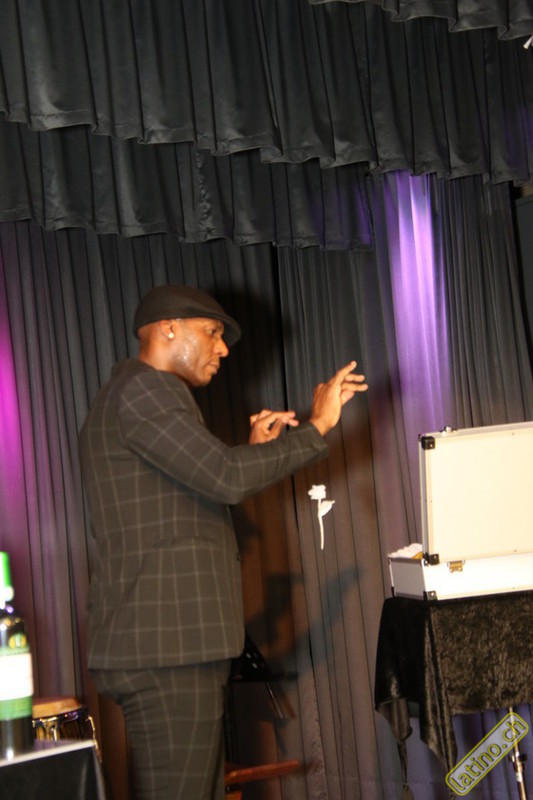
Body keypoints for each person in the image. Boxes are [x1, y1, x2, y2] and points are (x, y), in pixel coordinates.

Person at [78, 284, 368, 800]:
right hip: (169, 647)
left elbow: (189, 497)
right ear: (169, 328)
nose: (223, 349)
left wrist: (253, 452)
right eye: (212, 333)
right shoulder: (148, 389)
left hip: (160, 644)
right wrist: (318, 426)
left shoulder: (125, 394)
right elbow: (224, 476)